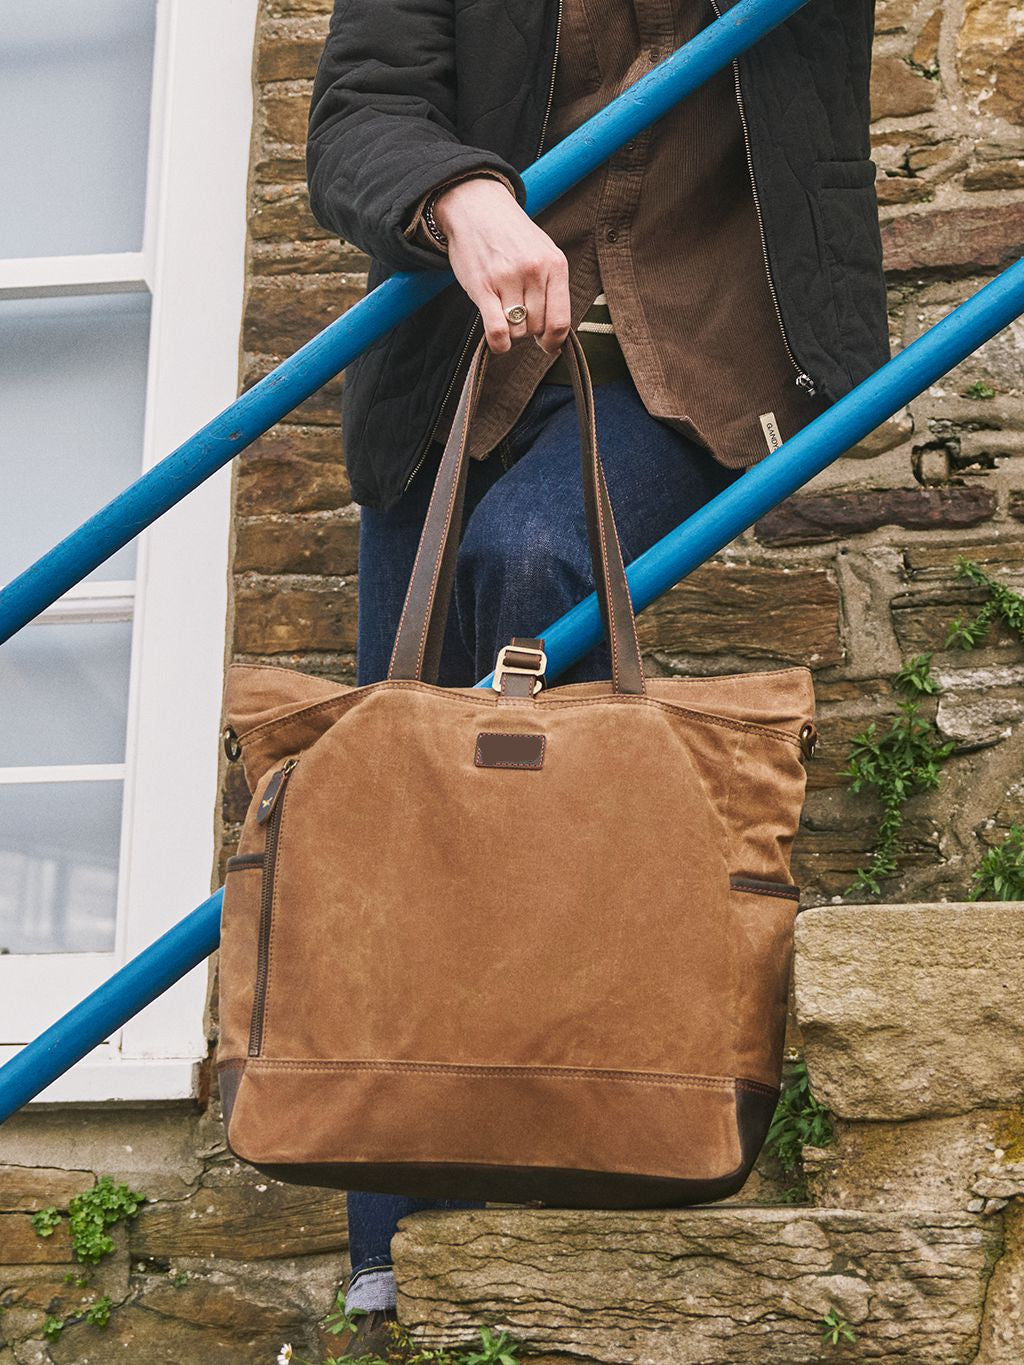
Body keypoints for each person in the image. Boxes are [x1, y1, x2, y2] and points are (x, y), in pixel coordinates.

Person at [306, 0, 889, 1352]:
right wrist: (459, 198)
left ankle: (553, 1139)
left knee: (531, 569)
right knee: (390, 786)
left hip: (680, 365)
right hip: (452, 369)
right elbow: (357, 113)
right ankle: (384, 1259)